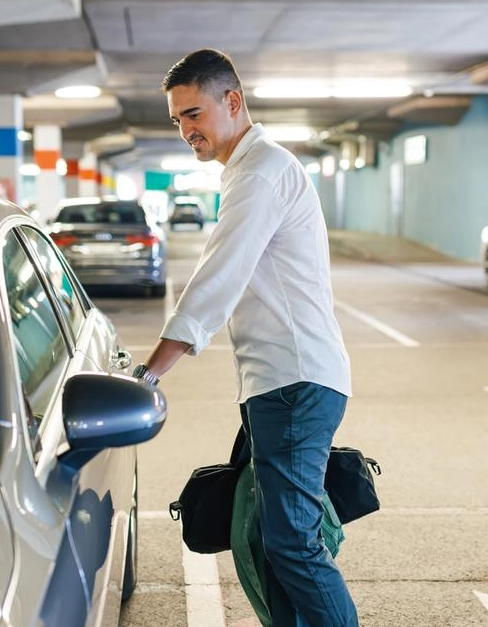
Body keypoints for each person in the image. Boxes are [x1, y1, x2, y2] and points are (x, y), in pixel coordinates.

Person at [131, 48, 358, 627]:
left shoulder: (259, 172)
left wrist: (150, 371)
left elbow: (217, 277)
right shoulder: (252, 170)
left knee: (292, 543)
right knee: (269, 539)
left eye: (194, 113)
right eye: (178, 119)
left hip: (294, 380)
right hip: (281, 380)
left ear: (232, 101)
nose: (186, 130)